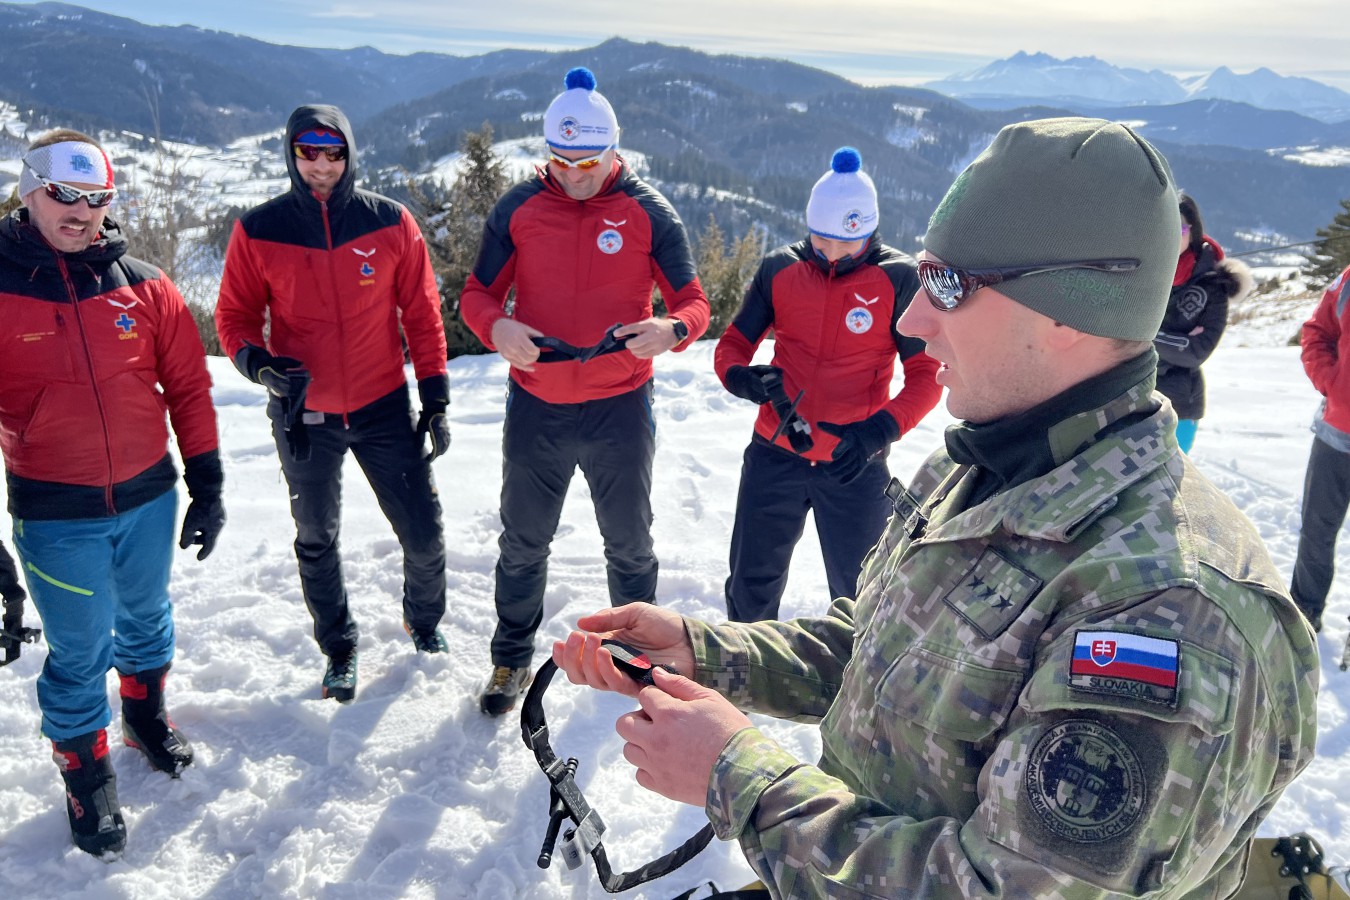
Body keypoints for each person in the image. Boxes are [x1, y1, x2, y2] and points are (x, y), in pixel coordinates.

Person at [552, 118, 1318, 898]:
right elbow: (878, 651)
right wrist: (705, 653)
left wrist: (737, 775)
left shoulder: (1166, 610)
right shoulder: (980, 466)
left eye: (948, 285)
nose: (913, 320)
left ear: (1065, 315)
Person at [0, 129, 224, 858]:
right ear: (28, 190)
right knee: (78, 648)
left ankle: (144, 716)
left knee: (148, 615)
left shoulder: (145, 284)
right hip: (55, 507)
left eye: (96, 199)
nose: (81, 213)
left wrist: (207, 479)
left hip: (148, 494)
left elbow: (188, 387)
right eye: (65, 195)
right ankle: (84, 771)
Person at [460, 67, 710, 716]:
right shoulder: (520, 208)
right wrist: (498, 325)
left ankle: (635, 657)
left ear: (613, 151)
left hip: (619, 408)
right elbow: (476, 294)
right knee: (522, 540)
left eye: (588, 163)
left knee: (629, 542)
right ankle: (510, 657)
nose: (573, 175)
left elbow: (694, 302)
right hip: (537, 406)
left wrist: (671, 328)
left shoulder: (648, 211)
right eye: (561, 160)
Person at [215, 105, 451, 704]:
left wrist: (436, 394)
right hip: (303, 412)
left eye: (333, 151)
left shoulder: (390, 223)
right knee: (316, 534)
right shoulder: (259, 229)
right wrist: (258, 364)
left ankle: (422, 623)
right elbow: (235, 318)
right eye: (307, 151)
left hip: (382, 406)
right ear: (291, 154)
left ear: (349, 153)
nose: (321, 164)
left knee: (422, 534)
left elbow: (421, 315)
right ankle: (339, 646)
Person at [716, 147, 940, 622]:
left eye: (848, 243)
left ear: (870, 231)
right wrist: (740, 377)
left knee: (864, 595)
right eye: (822, 242)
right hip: (774, 454)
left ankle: (855, 692)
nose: (833, 254)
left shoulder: (897, 279)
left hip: (855, 461)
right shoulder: (779, 270)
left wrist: (878, 431)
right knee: (750, 586)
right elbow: (732, 343)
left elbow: (927, 377)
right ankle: (739, 684)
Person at [1153, 193, 1250, 453]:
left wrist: (1146, 334)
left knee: (1172, 484)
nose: (1172, 234)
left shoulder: (1214, 284)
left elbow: (1197, 351)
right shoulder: (1142, 271)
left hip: (1180, 404)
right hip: (1130, 396)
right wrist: (1177, 339)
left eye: (1180, 227)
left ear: (1193, 230)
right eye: (1165, 224)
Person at [1290, 263, 1350, 633]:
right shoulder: (1348, 279)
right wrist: (1332, 382)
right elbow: (1317, 332)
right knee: (1316, 532)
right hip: (1336, 434)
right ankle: (1303, 616)